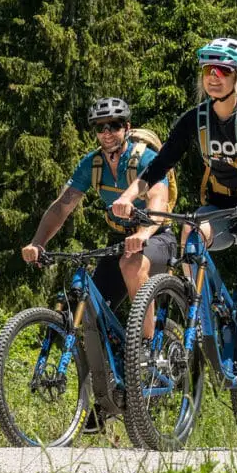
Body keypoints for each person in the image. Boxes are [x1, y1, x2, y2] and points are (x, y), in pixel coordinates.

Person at [113, 38, 237, 426]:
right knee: (190, 237)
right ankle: (204, 311)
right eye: (208, 71)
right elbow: (159, 165)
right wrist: (129, 195)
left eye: (223, 71)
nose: (214, 78)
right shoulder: (197, 118)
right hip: (221, 209)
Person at [22, 96, 176, 427]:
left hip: (157, 236)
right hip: (122, 242)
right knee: (88, 311)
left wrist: (145, 233)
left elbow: (158, 199)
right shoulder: (91, 165)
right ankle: (109, 396)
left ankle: (148, 350)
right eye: (100, 128)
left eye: (115, 126)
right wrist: (37, 243)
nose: (107, 133)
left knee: (131, 264)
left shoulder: (145, 158)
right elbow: (62, 206)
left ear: (127, 128)